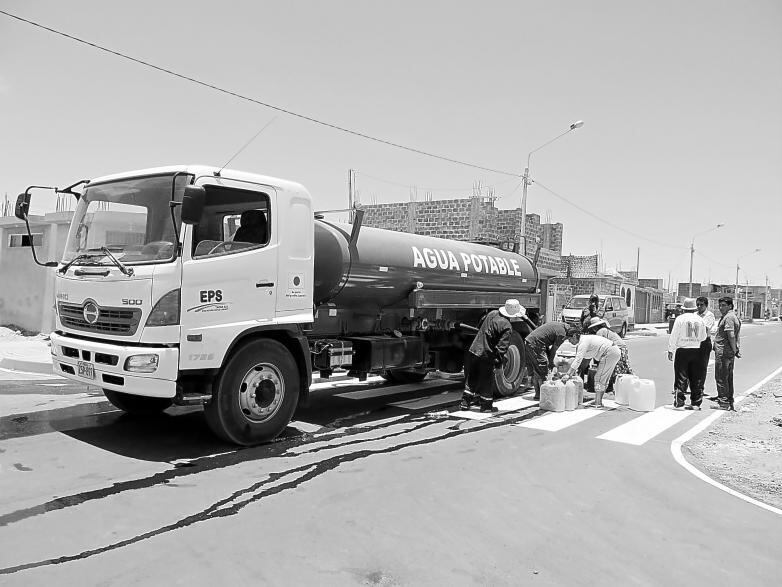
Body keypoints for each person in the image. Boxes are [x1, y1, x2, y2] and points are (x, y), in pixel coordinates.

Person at [459, 299, 526, 412]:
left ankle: (465, 403)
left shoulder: (492, 314)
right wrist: (498, 363)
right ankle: (486, 406)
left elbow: (480, 327)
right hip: (486, 354)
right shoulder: (507, 326)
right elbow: (502, 347)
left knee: (472, 376)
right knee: (486, 379)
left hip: (475, 349)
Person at [667, 298, 707, 409]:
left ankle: (679, 401)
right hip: (697, 350)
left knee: (681, 376)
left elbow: (674, 335)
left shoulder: (680, 319)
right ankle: (696, 402)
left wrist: (671, 350)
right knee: (696, 377)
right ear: (694, 308)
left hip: (683, 350)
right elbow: (703, 337)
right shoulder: (700, 320)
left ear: (684, 309)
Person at [524, 322, 581, 400]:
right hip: (536, 344)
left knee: (537, 370)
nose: (569, 340)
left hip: (530, 342)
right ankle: (543, 396)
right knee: (542, 369)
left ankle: (538, 395)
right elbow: (554, 349)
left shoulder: (560, 326)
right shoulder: (562, 333)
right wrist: (551, 364)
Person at [562, 333, 620, 407]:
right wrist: (574, 371)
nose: (569, 341)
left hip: (609, 352)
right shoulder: (585, 340)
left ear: (574, 336)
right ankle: (598, 401)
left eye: (569, 339)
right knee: (603, 378)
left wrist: (568, 374)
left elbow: (578, 360)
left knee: (599, 378)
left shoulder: (583, 342)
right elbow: (582, 361)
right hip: (613, 351)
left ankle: (598, 403)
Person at [586, 317, 632, 392]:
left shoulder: (600, 331)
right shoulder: (605, 330)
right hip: (622, 348)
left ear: (595, 327)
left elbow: (599, 346)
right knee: (622, 368)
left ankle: (618, 388)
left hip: (618, 349)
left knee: (615, 369)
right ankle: (626, 385)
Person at [711, 296, 741, 410]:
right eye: (720, 305)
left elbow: (731, 335)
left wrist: (734, 350)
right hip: (727, 351)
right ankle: (728, 398)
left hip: (724, 352)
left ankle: (724, 402)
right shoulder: (731, 316)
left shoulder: (729, 317)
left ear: (730, 306)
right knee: (728, 376)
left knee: (721, 377)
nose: (720, 307)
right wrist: (735, 350)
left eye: (723, 305)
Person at [696, 296, 716, 395]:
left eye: (701, 305)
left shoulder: (709, 315)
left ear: (706, 305)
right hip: (694, 342)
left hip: (704, 342)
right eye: (698, 305)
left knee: (702, 366)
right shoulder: (695, 314)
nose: (699, 307)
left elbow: (704, 327)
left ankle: (700, 388)